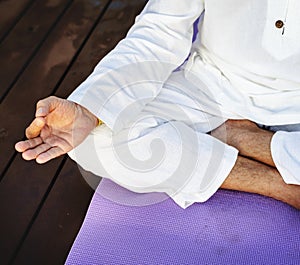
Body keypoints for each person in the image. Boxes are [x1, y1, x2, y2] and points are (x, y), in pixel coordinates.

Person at [15, 0, 300, 209]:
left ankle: (249, 141)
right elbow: (158, 32)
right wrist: (89, 109)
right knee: (90, 138)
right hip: (214, 86)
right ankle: (279, 186)